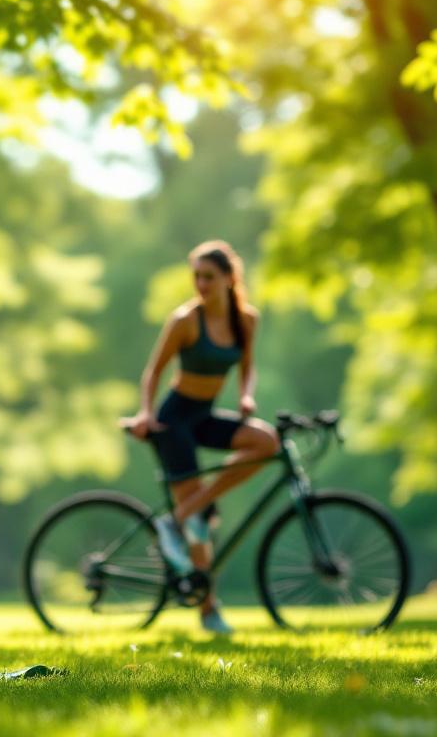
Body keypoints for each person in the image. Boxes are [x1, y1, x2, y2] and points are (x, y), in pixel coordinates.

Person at [119, 240, 280, 635]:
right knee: (201, 524)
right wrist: (146, 412)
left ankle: (178, 517)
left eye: (209, 276)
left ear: (229, 278)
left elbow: (248, 367)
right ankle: (209, 611)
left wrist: (246, 395)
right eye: (197, 276)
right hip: (174, 420)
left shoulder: (247, 321)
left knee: (266, 442)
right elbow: (153, 372)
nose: (202, 284)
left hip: (204, 416)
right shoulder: (186, 320)